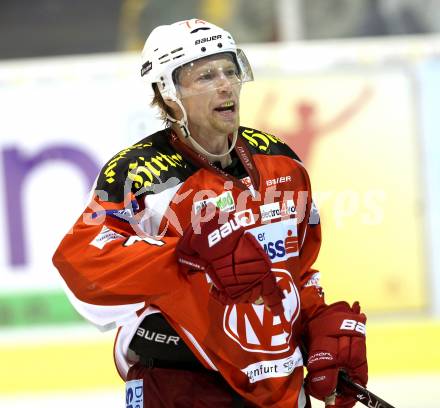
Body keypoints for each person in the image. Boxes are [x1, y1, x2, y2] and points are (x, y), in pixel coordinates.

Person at [53, 18, 367, 408]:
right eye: (204, 76)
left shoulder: (280, 162)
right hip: (179, 387)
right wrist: (182, 258)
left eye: (230, 70)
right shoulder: (140, 174)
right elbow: (82, 267)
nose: (225, 84)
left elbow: (294, 271)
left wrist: (317, 327)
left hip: (279, 386)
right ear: (168, 94)